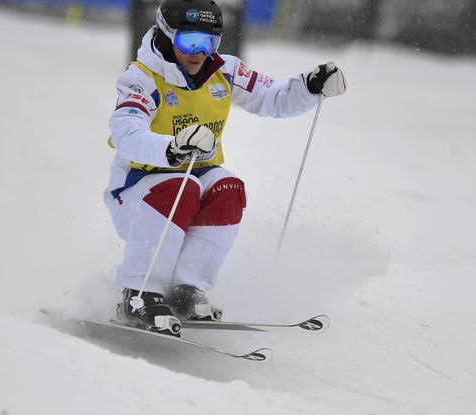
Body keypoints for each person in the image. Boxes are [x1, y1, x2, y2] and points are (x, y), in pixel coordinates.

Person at [104, 0, 346, 336]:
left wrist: (309, 86)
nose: (200, 52)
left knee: (228, 187)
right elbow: (126, 132)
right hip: (138, 188)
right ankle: (139, 292)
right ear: (167, 36)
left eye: (210, 42)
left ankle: (187, 288)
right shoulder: (142, 78)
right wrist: (171, 148)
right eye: (190, 42)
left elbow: (274, 98)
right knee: (181, 187)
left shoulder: (225, 70)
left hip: (195, 174)